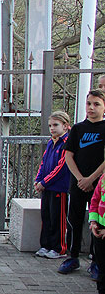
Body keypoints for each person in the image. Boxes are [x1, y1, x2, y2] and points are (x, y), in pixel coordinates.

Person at [58, 89, 105, 275]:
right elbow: (68, 156)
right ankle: (73, 256)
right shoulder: (78, 129)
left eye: (96, 104)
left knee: (97, 222)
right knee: (74, 220)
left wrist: (91, 179)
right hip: (77, 183)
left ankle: (96, 261)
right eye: (89, 104)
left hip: (98, 185)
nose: (91, 108)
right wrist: (80, 179)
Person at [34, 111, 71, 259]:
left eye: (55, 125)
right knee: (46, 216)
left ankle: (59, 247)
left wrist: (45, 182)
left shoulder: (67, 143)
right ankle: (46, 244)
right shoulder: (51, 142)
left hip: (59, 187)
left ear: (65, 126)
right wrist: (38, 179)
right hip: (47, 186)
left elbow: (62, 167)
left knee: (58, 218)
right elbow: (44, 163)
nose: (52, 128)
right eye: (50, 126)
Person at [87, 173, 105, 294]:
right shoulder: (103, 178)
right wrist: (93, 222)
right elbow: (95, 200)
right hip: (99, 228)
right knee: (101, 264)